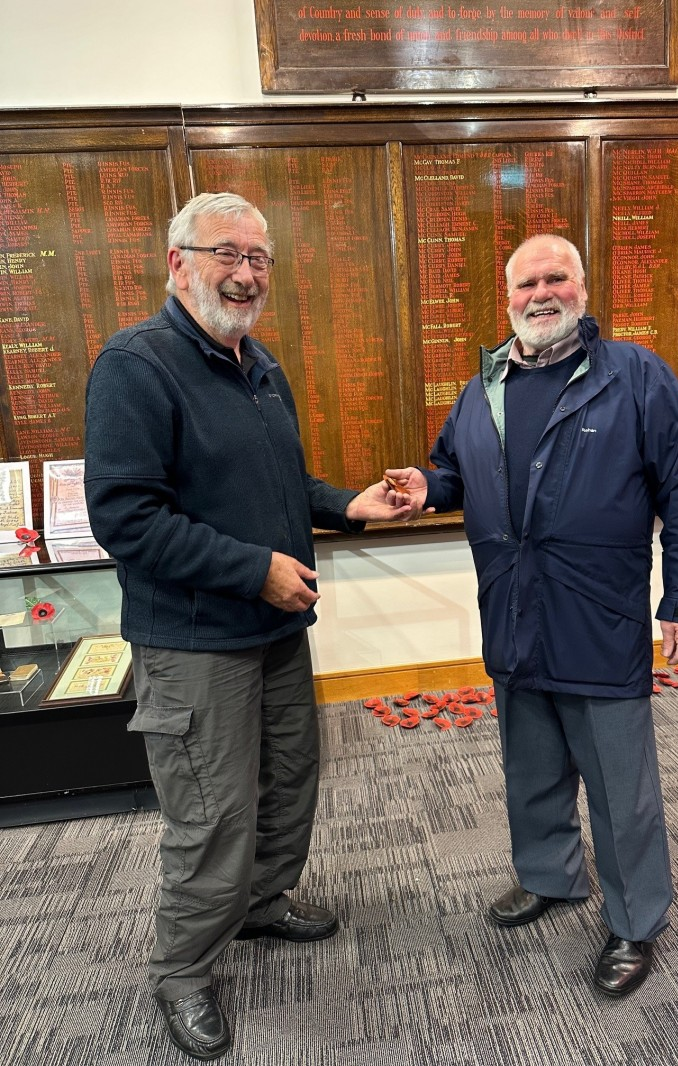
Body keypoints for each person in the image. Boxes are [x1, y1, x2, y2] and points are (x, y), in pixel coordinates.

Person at [84, 192, 422, 1061]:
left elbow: (281, 490)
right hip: (195, 645)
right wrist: (254, 571)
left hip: (275, 632)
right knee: (213, 815)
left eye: (259, 257)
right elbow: (126, 519)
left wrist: (351, 504)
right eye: (226, 253)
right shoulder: (137, 365)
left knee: (289, 784)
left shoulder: (257, 363)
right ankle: (182, 971)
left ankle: (264, 905)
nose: (245, 272)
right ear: (178, 262)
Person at [386, 234, 678, 998]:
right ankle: (551, 877)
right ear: (507, 299)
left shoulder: (635, 376)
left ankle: (635, 922)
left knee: (619, 786)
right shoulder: (484, 388)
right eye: (526, 282)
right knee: (530, 770)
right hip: (511, 615)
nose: (542, 293)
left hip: (597, 621)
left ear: (582, 285)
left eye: (556, 278)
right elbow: (454, 472)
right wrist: (425, 488)